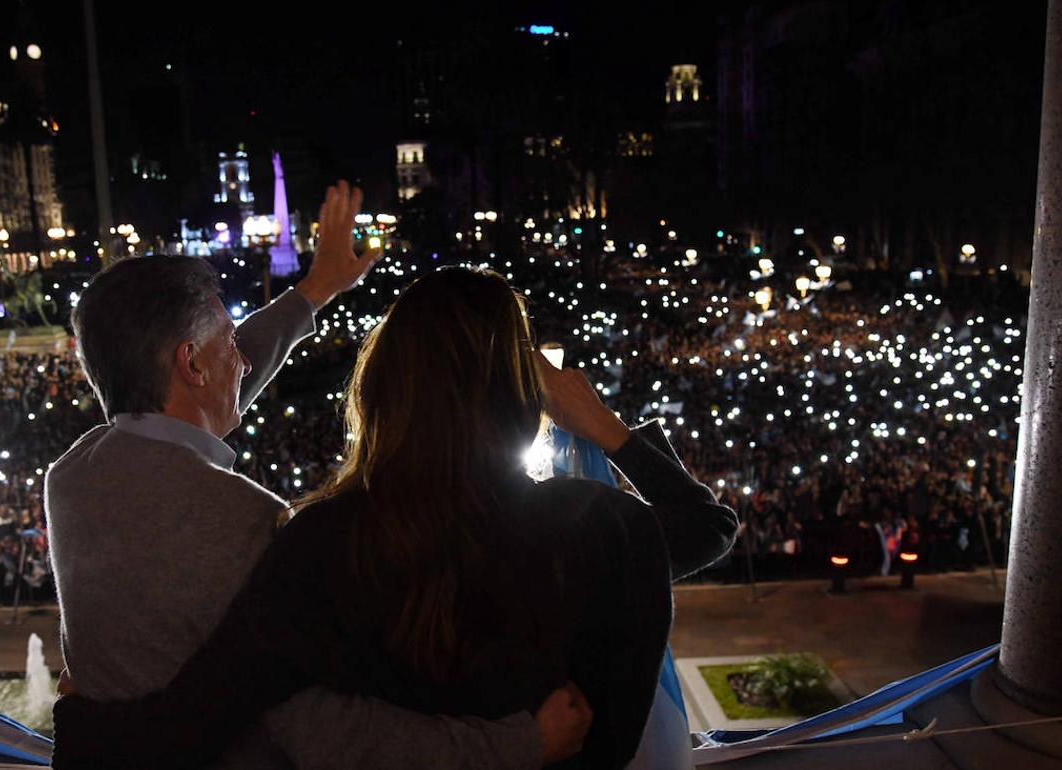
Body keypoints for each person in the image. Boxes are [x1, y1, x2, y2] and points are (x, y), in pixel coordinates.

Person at [50, 266, 739, 769]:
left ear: (383, 386)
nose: (240, 358)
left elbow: (203, 711)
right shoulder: (596, 528)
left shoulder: (322, 542)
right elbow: (705, 526)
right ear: (521, 392)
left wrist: (82, 723)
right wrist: (605, 427)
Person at [45, 185, 591, 770]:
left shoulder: (74, 475)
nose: (245, 358)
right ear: (192, 362)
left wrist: (315, 289)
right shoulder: (241, 521)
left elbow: (194, 400)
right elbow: (326, 732)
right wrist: (522, 745)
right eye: (229, 341)